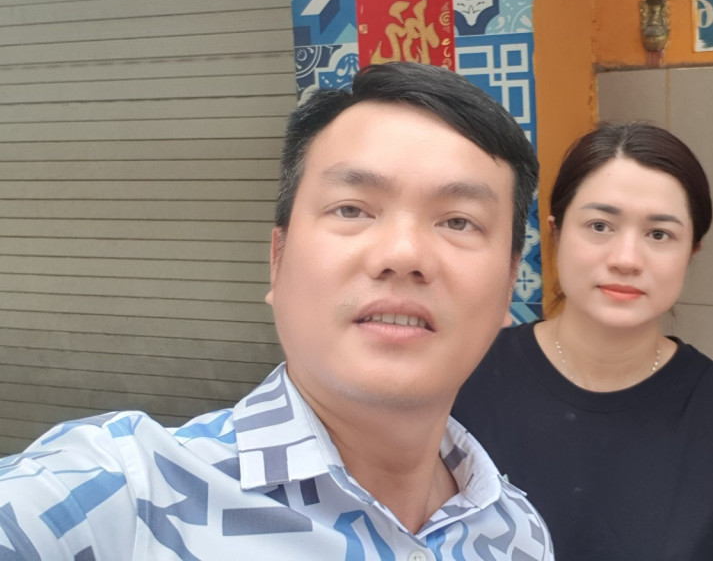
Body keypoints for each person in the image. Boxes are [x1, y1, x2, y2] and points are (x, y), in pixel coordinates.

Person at [0, 62, 553, 560]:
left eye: (458, 221)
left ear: (510, 286)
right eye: (352, 209)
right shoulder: (121, 497)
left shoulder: (518, 536)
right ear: (277, 260)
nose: (403, 255)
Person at [453, 122, 713, 561]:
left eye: (659, 234)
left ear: (692, 252)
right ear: (556, 232)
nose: (626, 259)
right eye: (600, 225)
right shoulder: (463, 376)